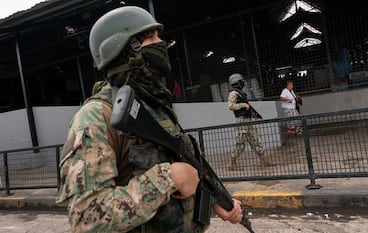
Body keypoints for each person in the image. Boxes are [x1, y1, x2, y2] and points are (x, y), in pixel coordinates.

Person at [56, 6, 242, 233]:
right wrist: (167, 178)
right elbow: (86, 218)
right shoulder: (95, 116)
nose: (160, 42)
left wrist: (214, 200)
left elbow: (187, 164)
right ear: (124, 49)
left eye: (158, 35)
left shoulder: (154, 103)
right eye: (149, 37)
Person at [227, 73, 273, 171]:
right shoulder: (233, 93)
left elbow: (248, 106)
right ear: (237, 82)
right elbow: (231, 106)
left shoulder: (241, 93)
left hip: (248, 119)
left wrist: (254, 114)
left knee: (255, 139)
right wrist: (242, 105)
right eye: (241, 81)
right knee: (240, 141)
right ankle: (232, 163)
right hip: (241, 120)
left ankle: (263, 160)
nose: (243, 82)